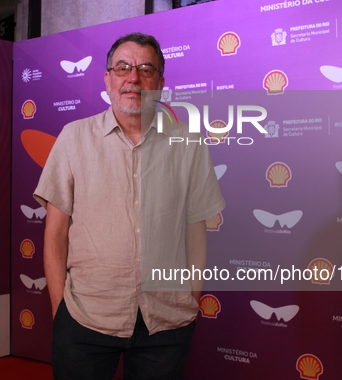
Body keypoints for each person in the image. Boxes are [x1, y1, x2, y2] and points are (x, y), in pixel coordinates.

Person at [33, 32, 225, 380]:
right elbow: (55, 234)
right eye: (122, 68)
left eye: (145, 69)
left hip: (166, 323)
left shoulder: (189, 144)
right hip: (85, 318)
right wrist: (60, 309)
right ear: (107, 79)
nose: (133, 77)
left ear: (160, 83)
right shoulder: (73, 138)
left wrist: (191, 299)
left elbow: (196, 233)